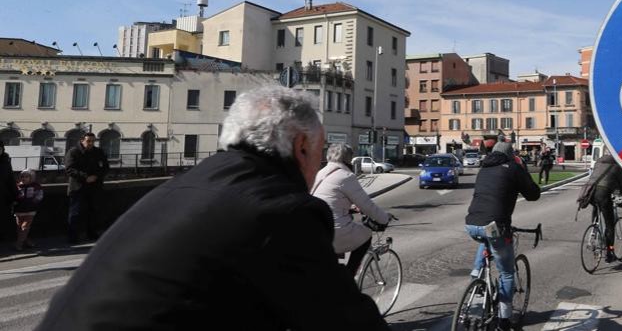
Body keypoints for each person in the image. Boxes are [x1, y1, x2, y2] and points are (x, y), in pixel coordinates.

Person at [38, 86, 389, 330]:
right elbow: (342, 320)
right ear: (301, 147)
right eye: (320, 148)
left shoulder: (183, 186)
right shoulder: (282, 210)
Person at [465, 141, 540, 330]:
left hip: (471, 223)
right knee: (507, 272)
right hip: (496, 225)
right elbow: (533, 194)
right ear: (510, 155)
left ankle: (477, 274)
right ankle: (504, 321)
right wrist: (522, 169)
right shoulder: (513, 167)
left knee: (486, 237)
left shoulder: (484, 168)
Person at [311, 143, 392, 275]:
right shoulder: (346, 176)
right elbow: (367, 205)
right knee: (366, 235)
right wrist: (384, 219)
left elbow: (330, 199)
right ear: (349, 158)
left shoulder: (319, 173)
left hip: (316, 229)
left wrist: (350, 208)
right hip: (334, 230)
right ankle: (349, 279)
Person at [578, 152, 622, 263]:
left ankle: (594, 228)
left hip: (589, 192)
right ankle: (609, 252)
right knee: (609, 224)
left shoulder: (599, 162)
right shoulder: (618, 167)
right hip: (603, 193)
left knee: (597, 206)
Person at [64, 132, 109, 243]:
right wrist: (85, 177)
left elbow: (105, 167)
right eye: (88, 141)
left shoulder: (98, 152)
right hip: (78, 187)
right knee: (76, 212)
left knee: (93, 211)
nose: (91, 143)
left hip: (94, 186)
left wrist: (96, 176)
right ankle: (72, 237)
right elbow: (69, 169)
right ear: (82, 140)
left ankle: (92, 233)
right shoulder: (73, 152)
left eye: (93, 141)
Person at [12, 169, 43, 251]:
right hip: (19, 210)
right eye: (22, 176)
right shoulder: (18, 186)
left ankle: (18, 244)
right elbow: (13, 196)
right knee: (19, 228)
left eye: (26, 177)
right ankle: (28, 242)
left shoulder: (35, 186)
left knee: (24, 227)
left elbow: (40, 195)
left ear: (31, 178)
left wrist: (34, 201)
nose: (24, 178)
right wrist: (14, 201)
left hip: (30, 210)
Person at [0, 142, 16, 244]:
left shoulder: (5, 161)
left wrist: (14, 195)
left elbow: (11, 179)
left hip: (3, 195)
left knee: (2, 218)